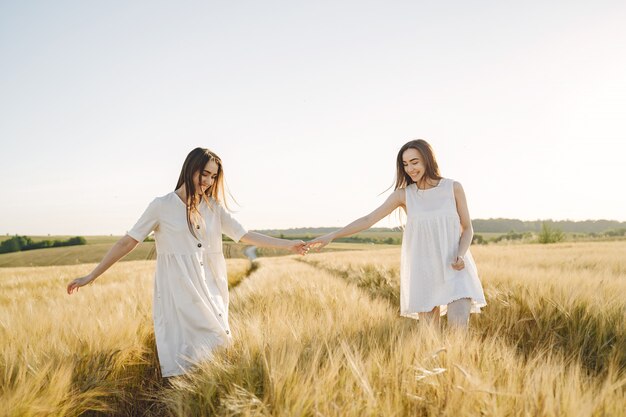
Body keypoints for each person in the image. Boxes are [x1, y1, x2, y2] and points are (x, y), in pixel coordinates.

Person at [67, 147, 307, 377]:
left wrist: (288, 245)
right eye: (204, 174)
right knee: (189, 355)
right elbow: (128, 242)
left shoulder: (213, 207)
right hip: (179, 288)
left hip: (211, 286)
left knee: (219, 345)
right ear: (190, 168)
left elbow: (244, 235)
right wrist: (92, 275)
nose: (208, 181)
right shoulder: (161, 206)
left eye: (213, 176)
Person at [306, 139, 486, 328]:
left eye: (414, 162)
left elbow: (467, 228)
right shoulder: (404, 195)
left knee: (459, 330)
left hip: (455, 267)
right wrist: (332, 235)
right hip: (424, 271)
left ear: (427, 160)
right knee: (429, 337)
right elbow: (368, 220)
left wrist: (460, 253)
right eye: (405, 164)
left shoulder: (453, 187)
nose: (410, 169)